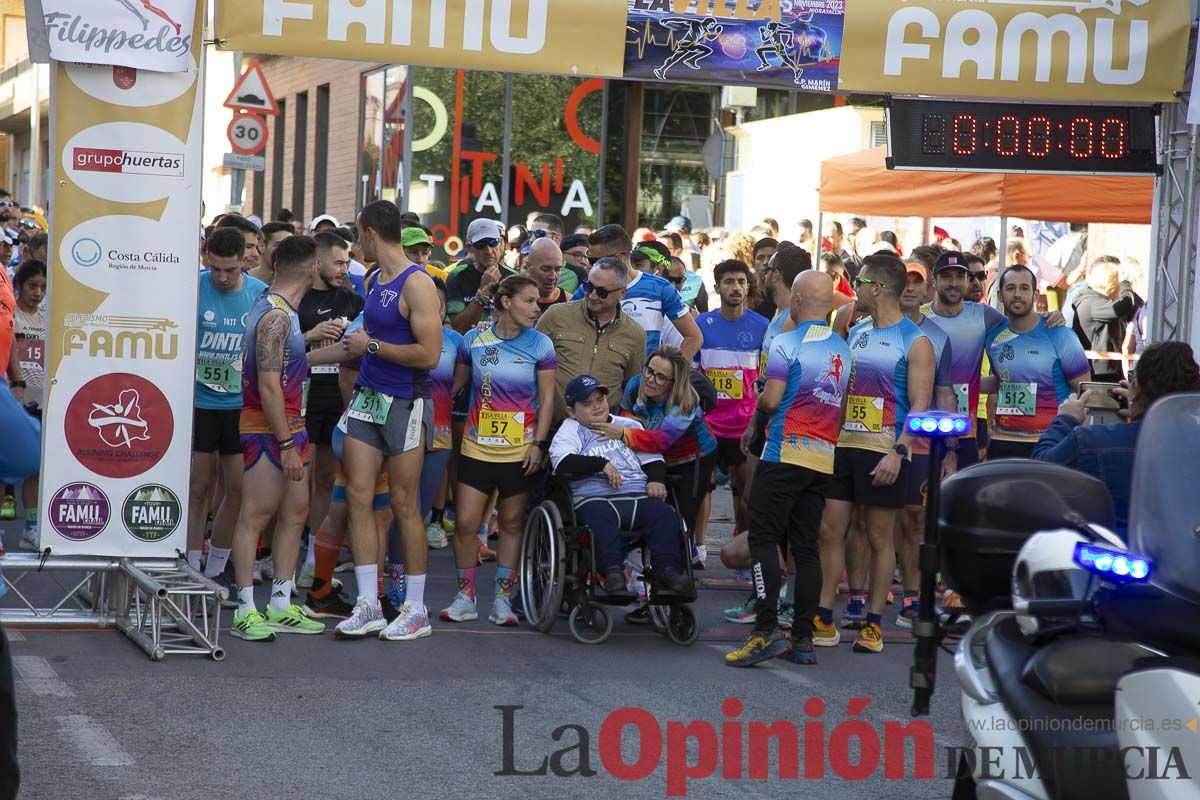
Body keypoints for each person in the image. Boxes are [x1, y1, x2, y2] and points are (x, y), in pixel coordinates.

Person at [724, 271, 851, 667]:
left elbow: (773, 400)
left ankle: (764, 632)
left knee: (763, 540)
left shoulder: (786, 342)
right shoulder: (842, 349)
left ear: (795, 301)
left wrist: (761, 395)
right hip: (822, 457)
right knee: (807, 547)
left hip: (784, 453)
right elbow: (842, 407)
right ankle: (802, 640)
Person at [335, 201, 443, 642]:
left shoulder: (417, 284)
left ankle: (416, 609)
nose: (357, 243)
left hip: (405, 402)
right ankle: (368, 604)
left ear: (370, 234)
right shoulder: (376, 278)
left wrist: (371, 347)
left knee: (403, 503)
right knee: (359, 497)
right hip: (367, 398)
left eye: (359, 235)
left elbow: (430, 355)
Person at [817, 254, 934, 655]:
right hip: (844, 445)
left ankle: (872, 624)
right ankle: (824, 617)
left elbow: (920, 406)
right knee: (831, 530)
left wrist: (899, 452)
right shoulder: (856, 331)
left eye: (859, 282)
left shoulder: (915, 341)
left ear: (877, 288)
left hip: (885, 451)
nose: (854, 289)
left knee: (879, 535)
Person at [229, 236, 330, 641]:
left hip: (292, 424)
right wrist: (287, 445)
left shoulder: (283, 312)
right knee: (256, 514)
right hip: (267, 427)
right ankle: (244, 610)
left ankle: (281, 604)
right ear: (311, 270)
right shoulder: (274, 316)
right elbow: (269, 386)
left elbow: (293, 363)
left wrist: (342, 349)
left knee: (295, 512)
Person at [440, 275, 556, 626]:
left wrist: (538, 443)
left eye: (538, 302)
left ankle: (503, 601)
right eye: (530, 301)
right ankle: (465, 597)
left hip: (520, 451)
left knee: (510, 523)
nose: (537, 308)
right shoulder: (474, 340)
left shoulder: (541, 345)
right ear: (506, 302)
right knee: (464, 524)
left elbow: (548, 398)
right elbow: (455, 386)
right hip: (477, 448)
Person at [1034, 342, 1200, 535]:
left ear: (1136, 387)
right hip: (1184, 557)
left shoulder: (1089, 441)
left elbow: (1039, 470)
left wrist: (1065, 419)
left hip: (1114, 553)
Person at [550, 375, 694, 594]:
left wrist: (656, 480)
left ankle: (668, 572)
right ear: (572, 411)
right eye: (587, 404)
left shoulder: (628, 425)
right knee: (599, 518)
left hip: (637, 495)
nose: (596, 407)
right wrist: (602, 464)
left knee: (665, 514)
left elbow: (652, 458)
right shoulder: (570, 429)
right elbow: (562, 462)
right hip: (595, 498)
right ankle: (612, 573)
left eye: (599, 400)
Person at [599, 346, 717, 601]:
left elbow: (661, 440)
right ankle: (640, 578)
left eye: (661, 377)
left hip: (689, 459)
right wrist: (626, 434)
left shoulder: (686, 401)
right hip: (648, 456)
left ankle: (678, 584)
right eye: (649, 371)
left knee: (680, 523)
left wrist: (624, 434)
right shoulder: (634, 386)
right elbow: (629, 423)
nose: (651, 380)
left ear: (674, 382)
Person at [186, 229, 268, 593]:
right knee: (198, 487)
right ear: (206, 258)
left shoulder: (257, 295)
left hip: (239, 406)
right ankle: (187, 566)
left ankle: (216, 567)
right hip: (200, 403)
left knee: (236, 490)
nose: (221, 277)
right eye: (215, 268)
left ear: (244, 263)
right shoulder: (193, 287)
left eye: (229, 270)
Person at [894, 259, 956, 628]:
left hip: (918, 442)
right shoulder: (868, 327)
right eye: (904, 281)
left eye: (917, 282)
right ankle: (863, 596)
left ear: (927, 289)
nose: (910, 288)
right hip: (873, 438)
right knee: (877, 523)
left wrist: (949, 449)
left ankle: (913, 598)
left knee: (915, 519)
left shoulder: (938, 336)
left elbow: (944, 392)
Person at [298, 232, 364, 555]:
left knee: (326, 477)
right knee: (299, 480)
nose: (344, 269)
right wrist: (311, 334)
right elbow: (278, 344)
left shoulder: (353, 301)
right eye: (338, 262)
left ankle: (314, 556)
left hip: (338, 395)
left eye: (348, 262)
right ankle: (280, 559)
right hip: (303, 395)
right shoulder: (299, 298)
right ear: (318, 261)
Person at [986, 265, 1090, 460]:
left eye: (1024, 288)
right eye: (1010, 288)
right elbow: (1001, 381)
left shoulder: (1060, 335)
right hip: (1004, 441)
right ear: (1000, 296)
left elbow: (1084, 390)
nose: (1017, 294)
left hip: (1049, 441)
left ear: (1035, 295)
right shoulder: (994, 337)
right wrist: (959, 384)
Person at [696, 259, 768, 535]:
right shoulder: (701, 325)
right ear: (716, 287)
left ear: (748, 286)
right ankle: (699, 547)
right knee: (703, 487)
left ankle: (742, 543)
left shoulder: (763, 327)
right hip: (709, 425)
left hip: (745, 425)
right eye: (728, 281)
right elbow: (693, 377)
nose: (735, 287)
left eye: (741, 281)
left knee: (745, 493)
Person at [537, 257, 646, 423]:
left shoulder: (635, 335)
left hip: (601, 437)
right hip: (551, 427)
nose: (593, 296)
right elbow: (529, 363)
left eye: (602, 292)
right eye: (589, 287)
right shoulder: (556, 315)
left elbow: (631, 388)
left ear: (622, 293)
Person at [574, 225, 702, 360]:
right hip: (600, 378)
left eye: (594, 260)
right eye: (588, 258)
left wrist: (671, 372)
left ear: (618, 259)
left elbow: (694, 337)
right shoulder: (588, 287)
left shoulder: (660, 288)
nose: (588, 265)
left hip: (643, 380)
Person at [10, 260, 45, 548]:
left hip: (41, 401)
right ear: (19, 284)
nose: (38, 292)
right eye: (32, 286)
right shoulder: (11, 317)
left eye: (43, 287)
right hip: (13, 401)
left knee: (36, 468)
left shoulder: (47, 320)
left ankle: (31, 529)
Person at [1071, 256, 1139, 382]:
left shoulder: (1103, 302)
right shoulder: (1090, 302)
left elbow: (1135, 308)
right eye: (1118, 280)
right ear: (1111, 282)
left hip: (1113, 373)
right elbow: (1123, 307)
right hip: (1099, 378)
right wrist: (1125, 283)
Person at [447, 219, 517, 335]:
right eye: (481, 245)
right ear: (470, 248)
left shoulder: (513, 277)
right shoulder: (457, 276)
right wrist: (483, 293)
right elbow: (458, 328)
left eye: (493, 242)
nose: (489, 251)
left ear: (501, 243)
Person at [521, 238, 567, 315]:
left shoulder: (569, 302)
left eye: (557, 269)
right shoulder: (512, 301)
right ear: (528, 267)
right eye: (546, 269)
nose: (552, 277)